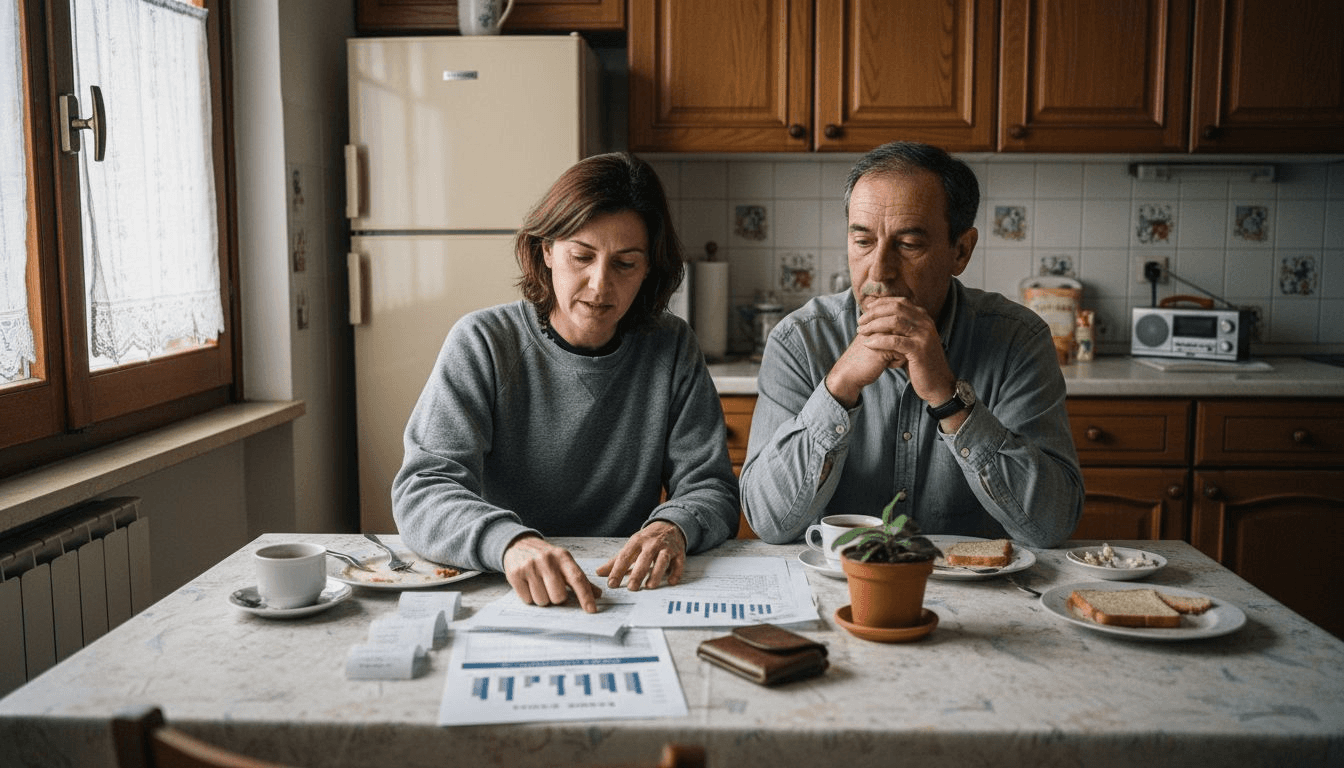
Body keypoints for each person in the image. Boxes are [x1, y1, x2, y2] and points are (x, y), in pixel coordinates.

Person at [393, 152, 739, 613]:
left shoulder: (673, 346)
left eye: (625, 264)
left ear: (649, 271)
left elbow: (712, 488)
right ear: (546, 251)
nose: (599, 285)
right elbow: (423, 490)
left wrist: (673, 527)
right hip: (506, 586)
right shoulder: (481, 342)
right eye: (582, 256)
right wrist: (510, 542)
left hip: (626, 591)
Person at [740, 141, 1082, 549]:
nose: (879, 272)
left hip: (977, 586)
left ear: (961, 251)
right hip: (841, 583)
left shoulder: (1017, 341)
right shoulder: (800, 341)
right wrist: (838, 388)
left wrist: (949, 399)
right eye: (863, 242)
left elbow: (1051, 525)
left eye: (908, 245)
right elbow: (769, 522)